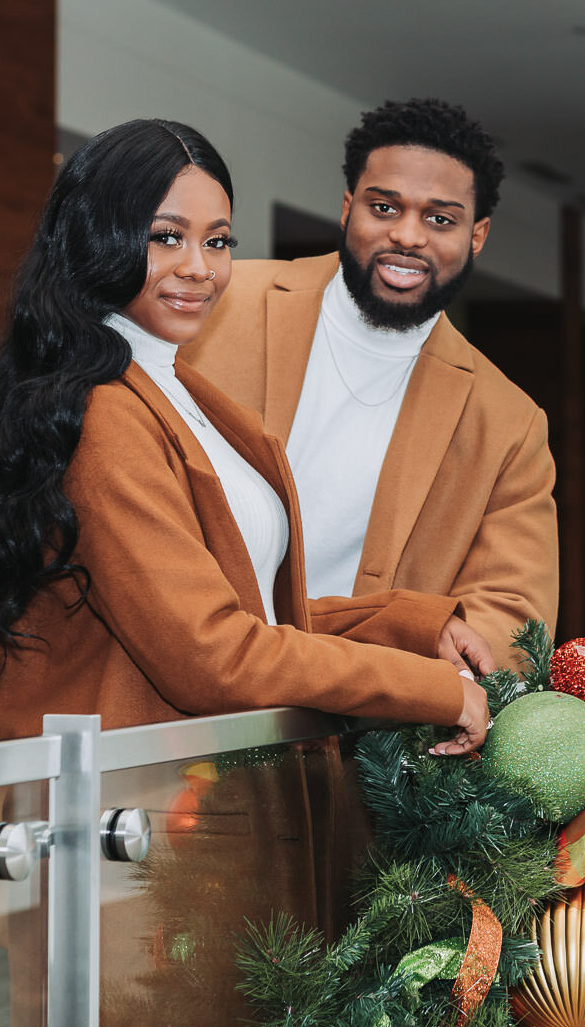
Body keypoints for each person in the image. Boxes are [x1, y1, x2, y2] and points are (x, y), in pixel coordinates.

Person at [0, 116, 493, 747]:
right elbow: (214, 655)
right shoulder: (106, 414)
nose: (200, 268)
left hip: (183, 803)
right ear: (99, 241)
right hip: (128, 821)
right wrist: (428, 688)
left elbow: (260, 617)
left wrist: (410, 628)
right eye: (167, 237)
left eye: (218, 242)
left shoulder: (188, 396)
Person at [183, 98, 557, 666]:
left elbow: (513, 613)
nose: (408, 236)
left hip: (358, 734)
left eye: (440, 219)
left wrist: (404, 669)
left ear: (477, 235)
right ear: (346, 208)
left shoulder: (508, 422)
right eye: (384, 207)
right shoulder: (217, 304)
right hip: (176, 687)